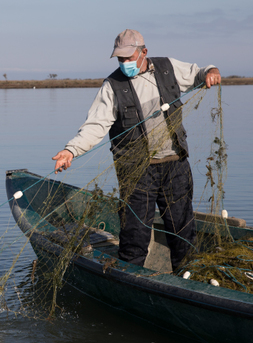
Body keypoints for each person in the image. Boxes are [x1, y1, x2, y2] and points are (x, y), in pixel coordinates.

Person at [52, 29, 221, 271]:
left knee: (182, 230)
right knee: (135, 234)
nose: (124, 63)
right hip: (136, 171)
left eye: (128, 58)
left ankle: (187, 277)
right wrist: (71, 151)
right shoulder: (112, 86)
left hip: (175, 164)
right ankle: (129, 280)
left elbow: (199, 73)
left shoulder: (167, 67)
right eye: (120, 59)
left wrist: (211, 72)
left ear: (144, 52)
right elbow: (95, 126)